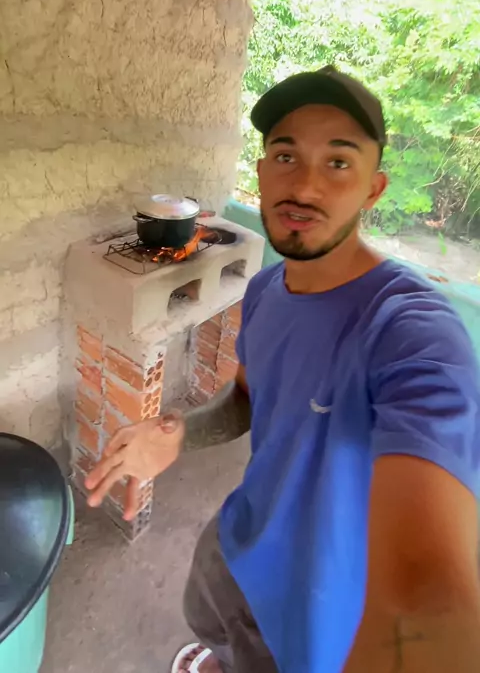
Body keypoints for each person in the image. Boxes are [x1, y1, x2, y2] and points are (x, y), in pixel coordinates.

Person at [85, 66, 480, 673]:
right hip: (240, 539)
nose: (305, 186)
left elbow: (432, 587)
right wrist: (180, 432)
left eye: (338, 162)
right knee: (209, 624)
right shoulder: (268, 290)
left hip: (316, 625)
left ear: (374, 189)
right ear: (262, 171)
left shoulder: (411, 330)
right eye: (286, 155)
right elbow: (247, 398)